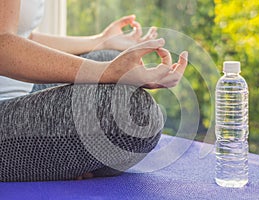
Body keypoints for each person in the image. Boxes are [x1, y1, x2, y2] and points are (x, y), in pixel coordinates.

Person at [0, 0, 188, 182]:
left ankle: (64, 160)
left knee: (110, 58)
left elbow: (24, 37)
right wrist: (107, 71)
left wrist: (100, 41)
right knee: (136, 111)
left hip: (17, 87)